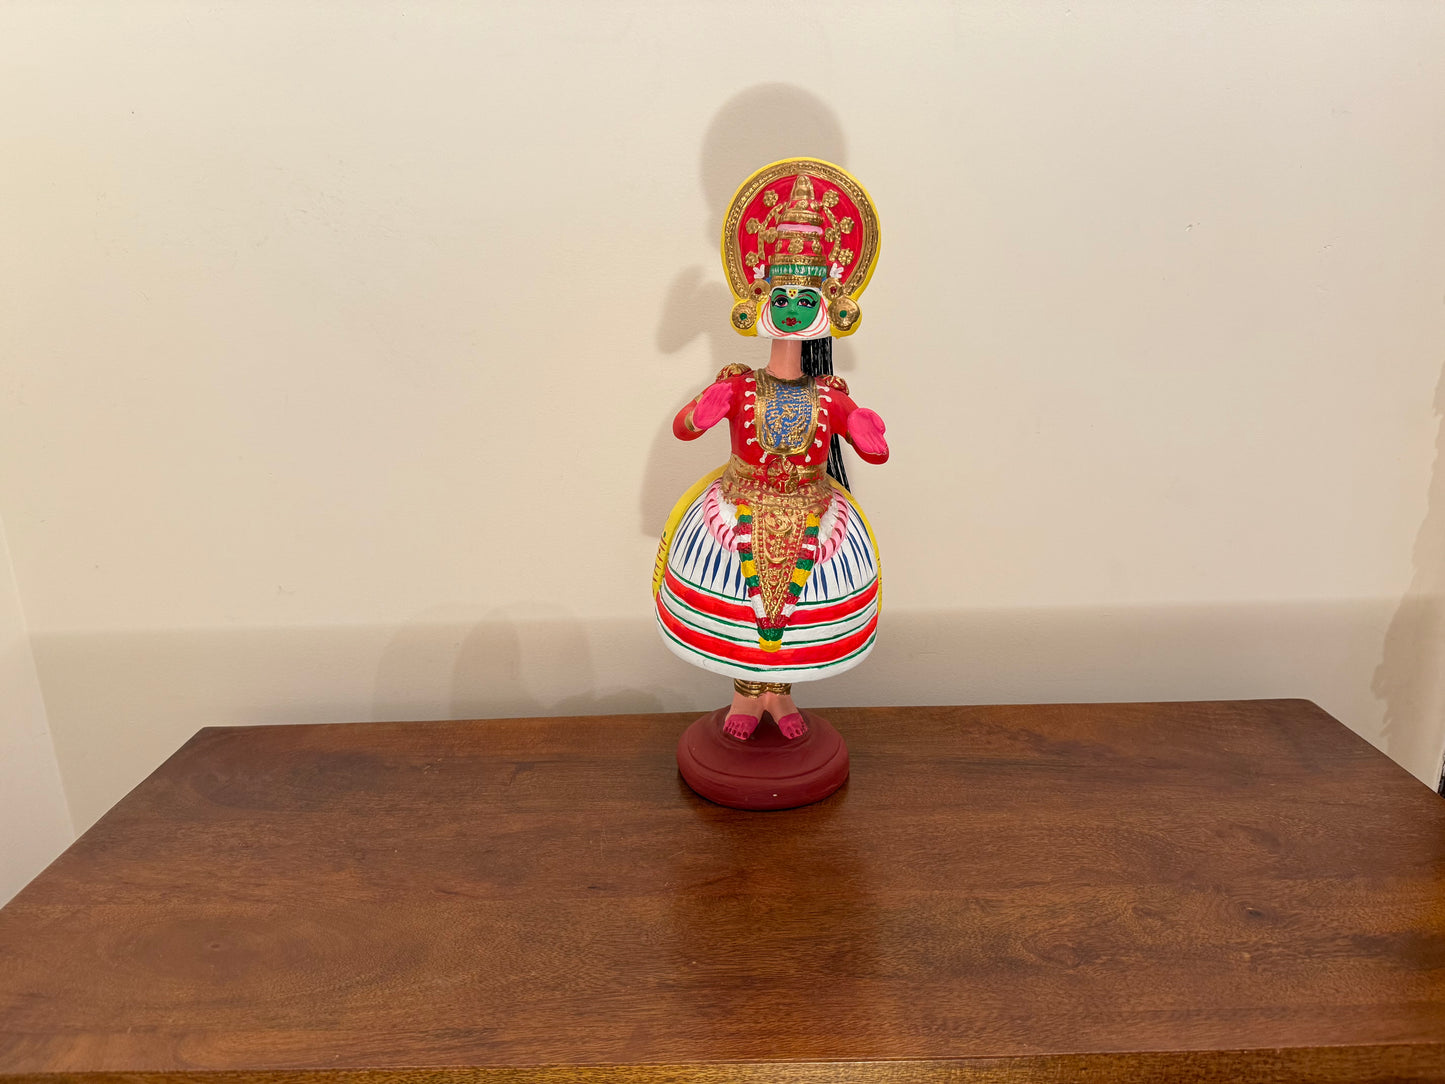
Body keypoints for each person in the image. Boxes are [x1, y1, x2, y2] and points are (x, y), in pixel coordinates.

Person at [653, 160, 889, 742]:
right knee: (741, 613)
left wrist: (861, 429)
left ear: (827, 307)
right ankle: (744, 695)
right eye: (780, 297)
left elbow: (863, 439)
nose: (790, 309)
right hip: (734, 509)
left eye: (803, 298)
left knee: (795, 622)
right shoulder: (738, 385)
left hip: (814, 511)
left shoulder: (828, 395)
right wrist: (699, 411)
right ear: (759, 300)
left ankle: (779, 697)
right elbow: (685, 428)